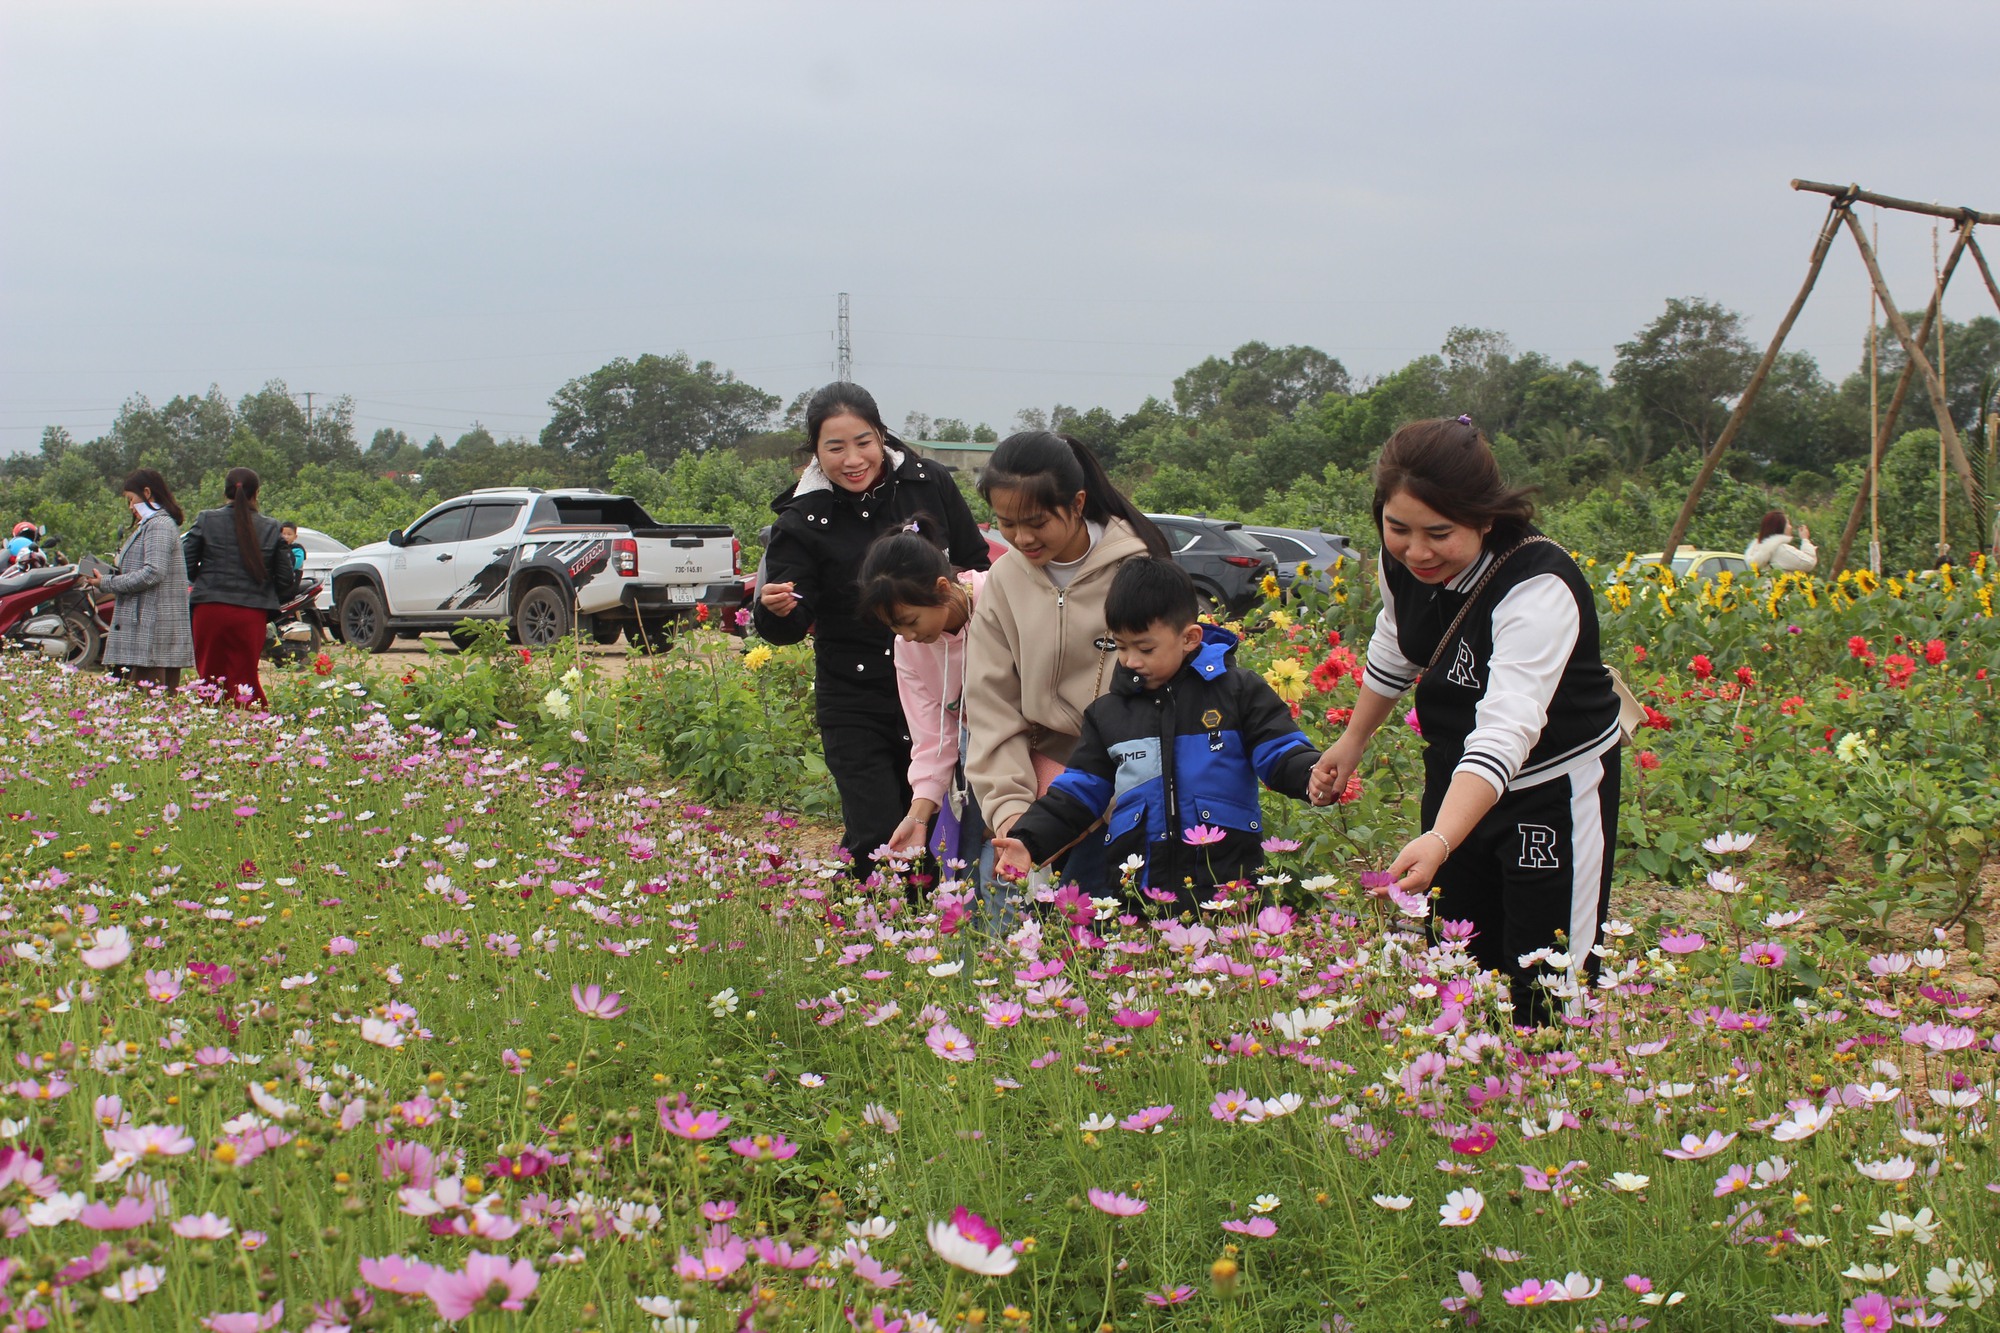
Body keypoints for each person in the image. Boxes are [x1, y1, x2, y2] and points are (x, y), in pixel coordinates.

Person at [1308, 416, 1622, 1025]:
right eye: (1397, 528)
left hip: (1550, 789)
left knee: (1549, 974)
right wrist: (1354, 739)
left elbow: (1507, 729)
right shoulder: (1401, 562)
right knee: (1459, 960)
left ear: (1486, 519)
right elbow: (1397, 641)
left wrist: (1441, 838)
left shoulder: (1538, 588)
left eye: (1439, 533)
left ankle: (1552, 1099)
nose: (1416, 551)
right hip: (1456, 782)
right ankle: (1473, 1094)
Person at [753, 383, 990, 873]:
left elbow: (973, 564)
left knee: (938, 822)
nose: (853, 459)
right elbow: (788, 624)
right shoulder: (802, 519)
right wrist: (774, 611)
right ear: (814, 453)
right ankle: (875, 931)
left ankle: (926, 926)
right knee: (878, 828)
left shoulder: (930, 484)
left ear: (882, 435)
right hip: (856, 694)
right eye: (834, 448)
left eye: (863, 442)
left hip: (940, 680)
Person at [991, 558, 1318, 910]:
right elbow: (1078, 793)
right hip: (1140, 898)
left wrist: (1311, 774)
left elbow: (1279, 749)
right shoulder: (1109, 715)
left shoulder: (1238, 692)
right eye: (1122, 646)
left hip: (1228, 890)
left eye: (1145, 648)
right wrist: (1029, 839)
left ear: (1189, 638)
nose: (1131, 660)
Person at [963, 432, 1171, 894]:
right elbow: (991, 708)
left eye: (1036, 522)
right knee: (1014, 930)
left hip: (1124, 783)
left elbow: (1159, 699)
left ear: (1077, 503)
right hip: (1029, 778)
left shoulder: (1135, 569)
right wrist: (1014, 814)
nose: (1021, 538)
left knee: (1100, 937)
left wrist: (1101, 802)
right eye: (1006, 524)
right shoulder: (1004, 581)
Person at [854, 517, 989, 872]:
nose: (906, 636)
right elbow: (933, 739)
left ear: (943, 588)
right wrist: (918, 817)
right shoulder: (908, 650)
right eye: (893, 627)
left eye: (910, 621)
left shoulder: (998, 596)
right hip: (982, 765)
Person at [183, 467, 297, 709]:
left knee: (209, 679)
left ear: (226, 492)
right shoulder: (270, 527)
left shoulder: (205, 519)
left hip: (209, 609)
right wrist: (267, 597)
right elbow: (286, 578)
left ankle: (209, 730)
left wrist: (205, 582)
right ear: (256, 493)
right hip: (251, 613)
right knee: (245, 679)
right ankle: (256, 729)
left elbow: (186, 563)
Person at [85, 470, 194, 692]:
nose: (130, 507)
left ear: (146, 493)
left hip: (153, 628)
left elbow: (153, 572)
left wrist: (107, 583)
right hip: (148, 626)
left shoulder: (159, 525)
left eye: (131, 500)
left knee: (149, 698)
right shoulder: (151, 525)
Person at [1743, 510, 1816, 573]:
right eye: (1788, 523)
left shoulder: (1757, 550)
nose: (1791, 527)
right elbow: (1809, 563)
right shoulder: (1781, 550)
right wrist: (1805, 539)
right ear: (1780, 527)